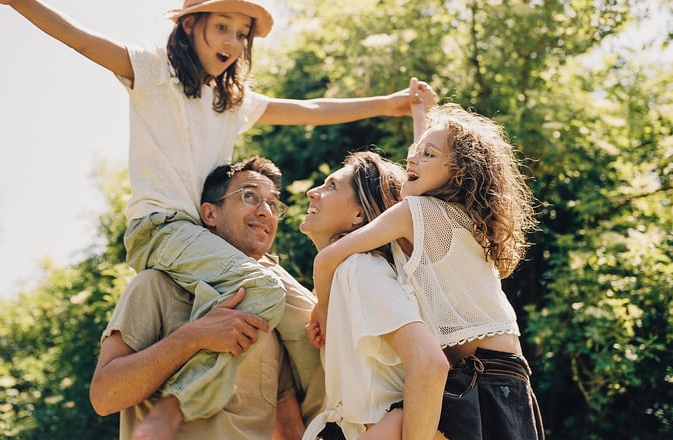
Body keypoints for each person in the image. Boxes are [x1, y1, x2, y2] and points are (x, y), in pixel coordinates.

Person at [0, 0, 423, 425]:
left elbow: (309, 111)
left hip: (209, 241)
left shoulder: (231, 102)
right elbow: (82, 40)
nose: (233, 42)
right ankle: (176, 404)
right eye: (221, 27)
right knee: (260, 287)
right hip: (162, 228)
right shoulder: (151, 73)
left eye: (242, 34)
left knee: (313, 321)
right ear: (189, 26)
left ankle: (341, 426)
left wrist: (389, 102)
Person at [310, 79, 544, 439]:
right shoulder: (454, 214)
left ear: (459, 173)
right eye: (415, 152)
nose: (411, 158)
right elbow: (429, 159)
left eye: (426, 155)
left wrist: (323, 309)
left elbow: (329, 258)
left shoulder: (416, 212)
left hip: (482, 375)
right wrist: (421, 112)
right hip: (504, 373)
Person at [90, 156, 324, 440]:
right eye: (249, 196)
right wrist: (191, 337)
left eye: (273, 204)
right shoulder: (155, 287)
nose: (265, 212)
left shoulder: (274, 311)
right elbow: (104, 397)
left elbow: (288, 428)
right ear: (210, 214)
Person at [299, 150, 449, 440]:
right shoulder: (346, 277)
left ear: (359, 215)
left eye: (331, 186)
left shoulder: (362, 269)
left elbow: (429, 364)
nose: (312, 193)